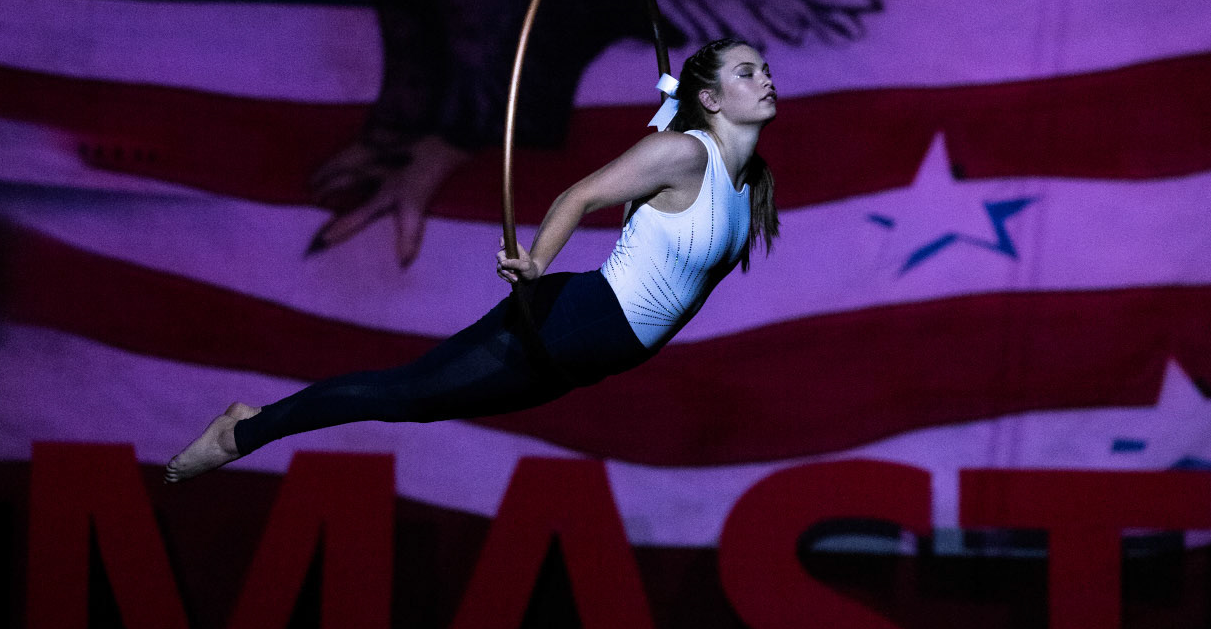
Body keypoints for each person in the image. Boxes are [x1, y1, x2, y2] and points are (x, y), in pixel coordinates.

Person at [164, 39, 779, 481]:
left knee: (421, 403)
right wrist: (535, 263)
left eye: (765, 70)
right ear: (710, 97)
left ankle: (250, 424)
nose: (765, 79)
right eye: (747, 72)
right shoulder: (682, 154)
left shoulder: (748, 182)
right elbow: (579, 196)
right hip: (573, 322)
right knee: (404, 395)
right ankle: (240, 432)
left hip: (591, 355)